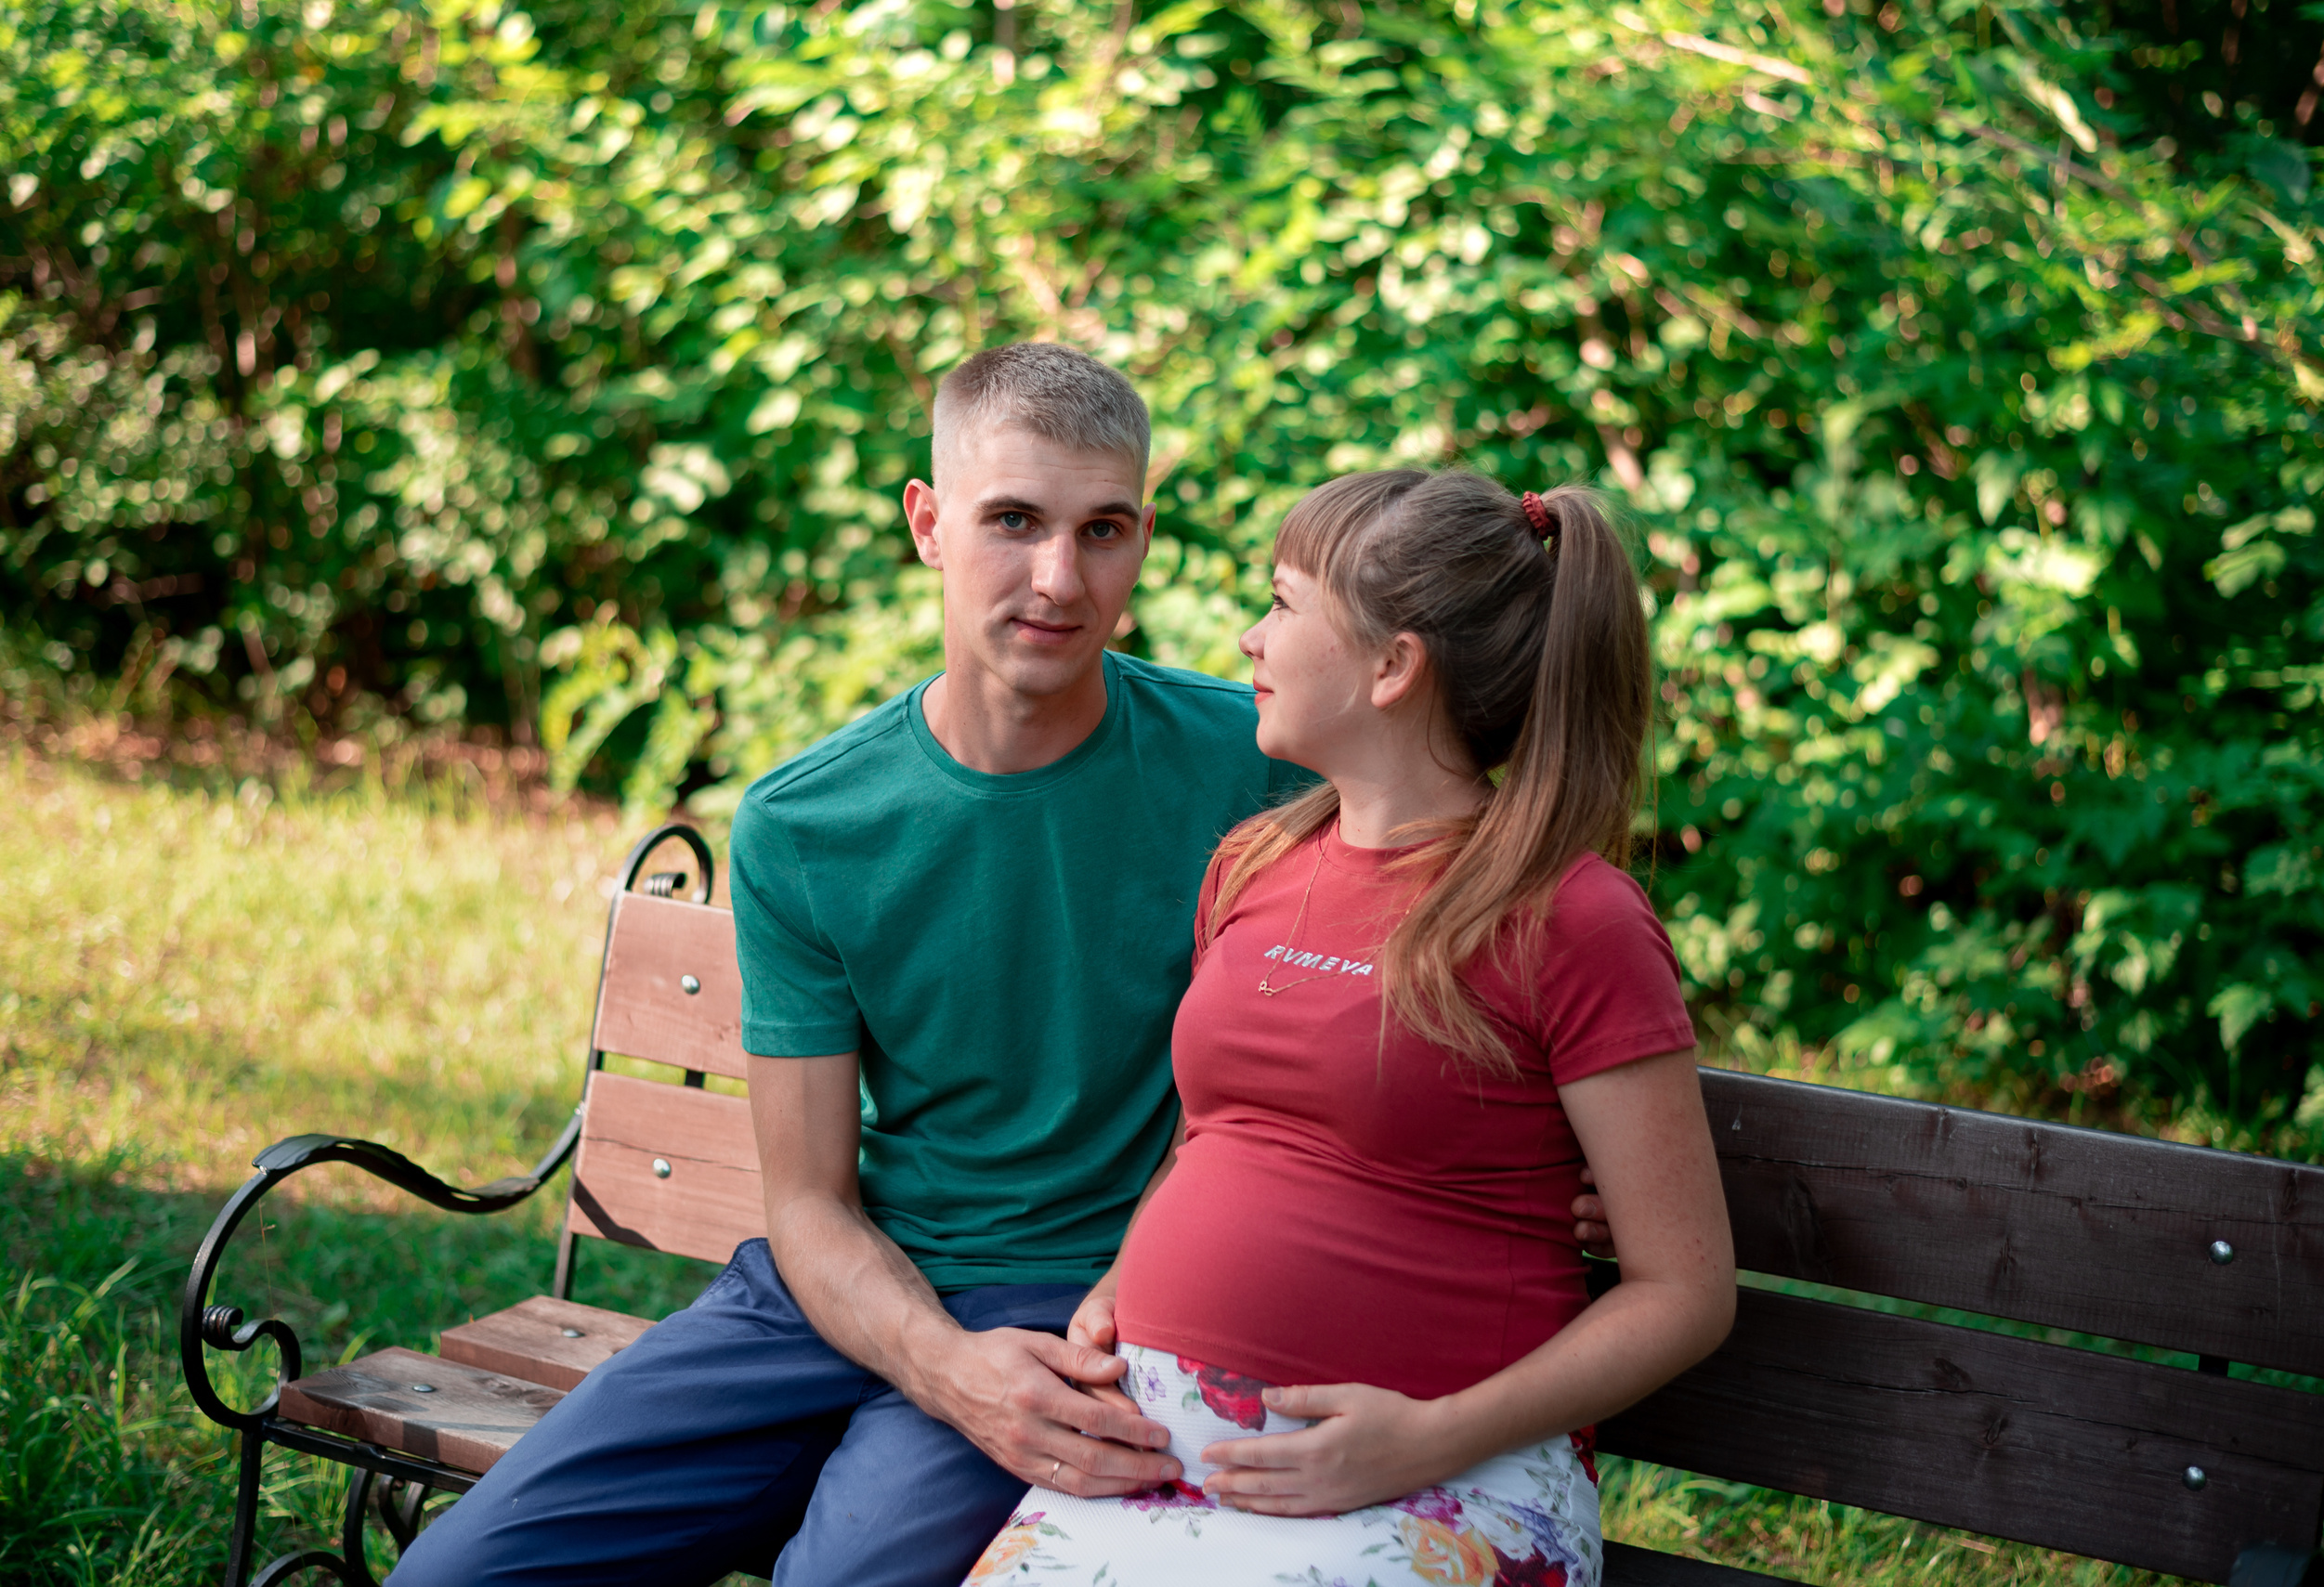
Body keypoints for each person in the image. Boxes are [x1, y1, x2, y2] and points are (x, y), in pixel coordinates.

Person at [386, 347, 1611, 1587]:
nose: (1058, 579)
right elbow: (808, 1202)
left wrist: (1562, 1156)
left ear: (1144, 537)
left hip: (1080, 1319)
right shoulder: (810, 823)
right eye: (1013, 521)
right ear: (928, 522)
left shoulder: (1265, 772)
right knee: (455, 1575)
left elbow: (1512, 914)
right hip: (830, 1295)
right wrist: (937, 1364)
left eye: (1104, 529)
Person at [963, 470, 1736, 1587]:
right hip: (1164, 1444)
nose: (1247, 636)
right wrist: (1124, 1278)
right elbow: (1215, 1135)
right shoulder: (1255, 861)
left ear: (1391, 665)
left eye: (1280, 604)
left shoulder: (1571, 916)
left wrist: (1434, 1435)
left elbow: (1684, 1289)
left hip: (1440, 1472)